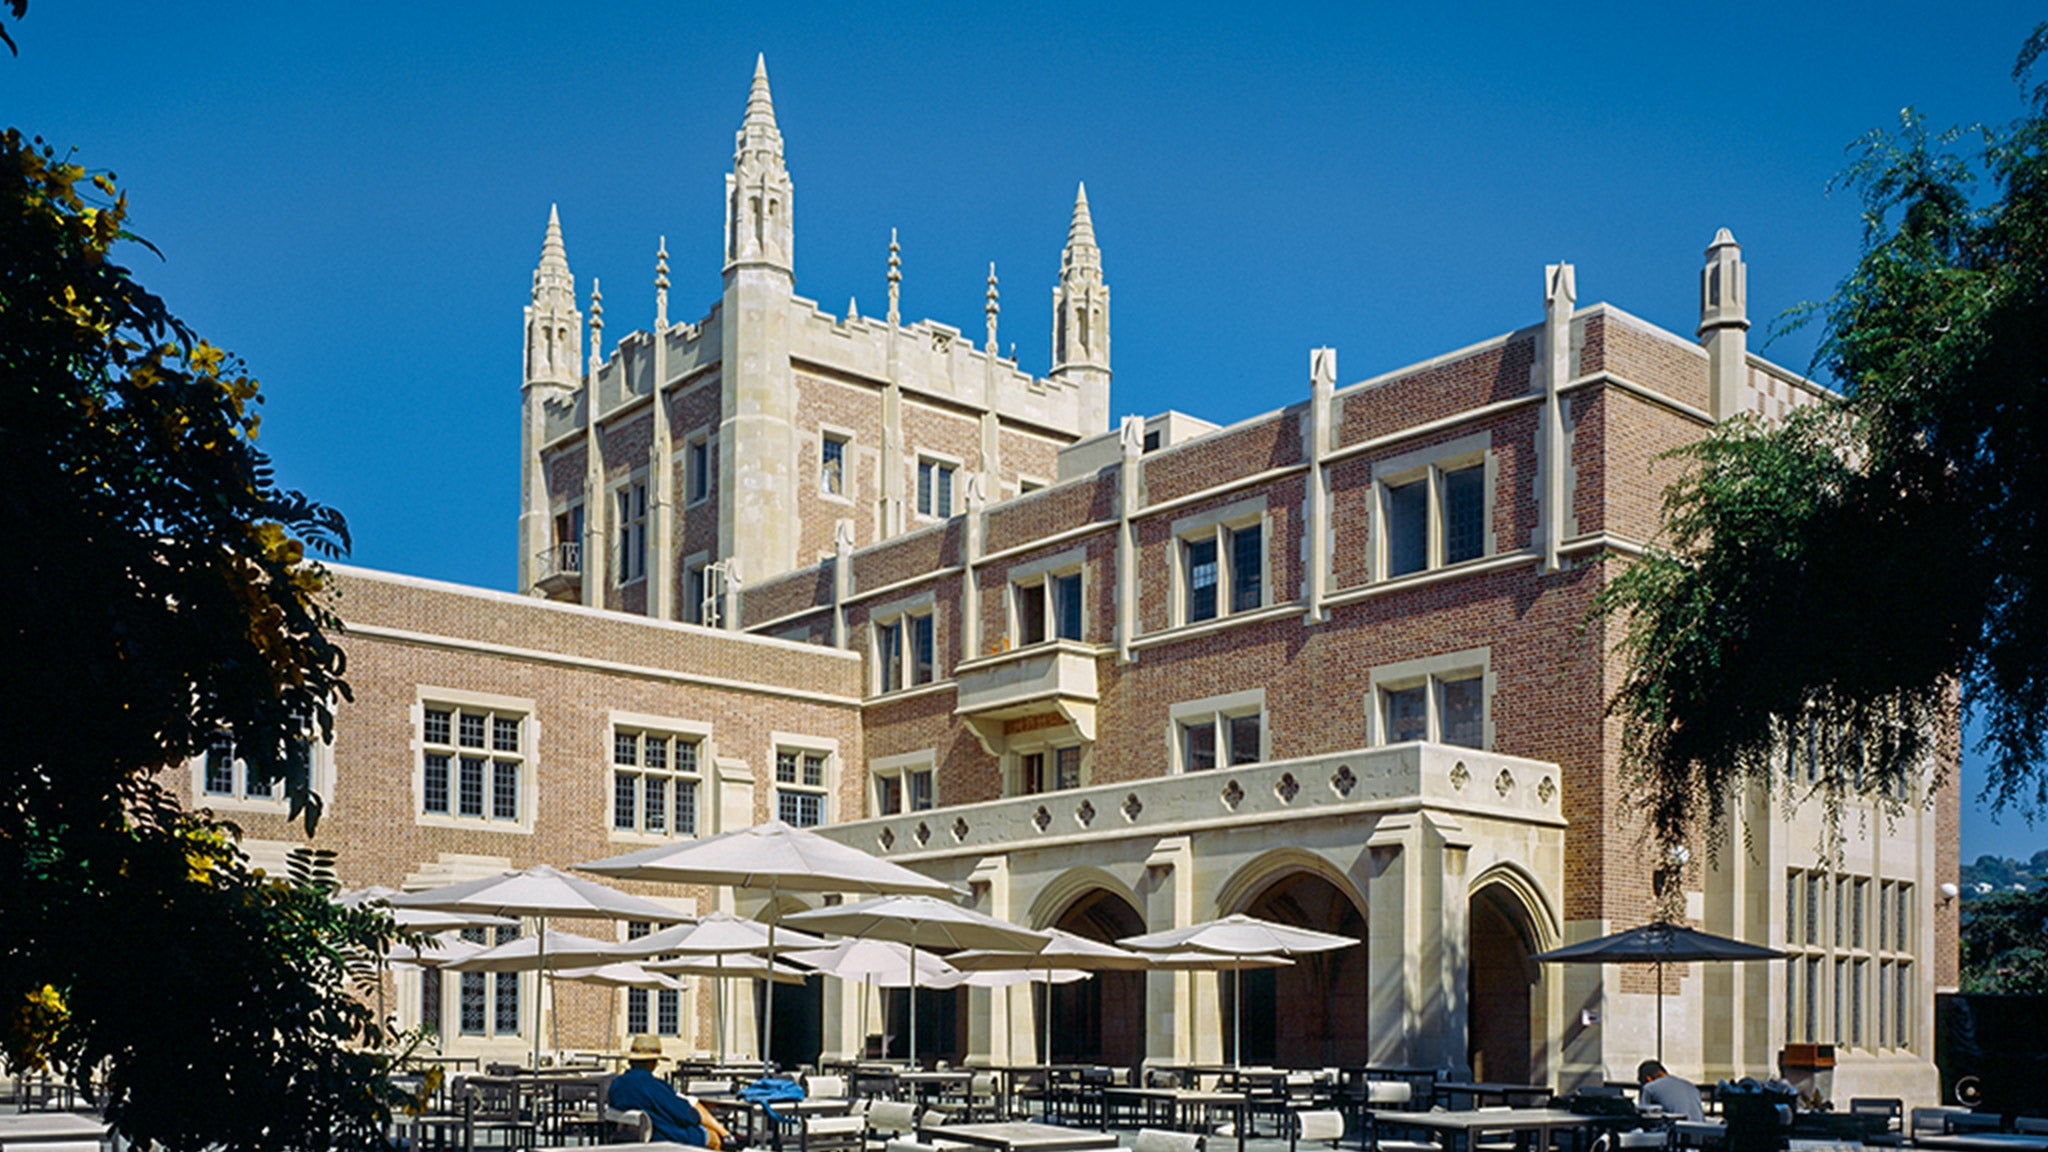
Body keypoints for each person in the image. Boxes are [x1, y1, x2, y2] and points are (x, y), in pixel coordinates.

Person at [608, 1034, 713, 1147]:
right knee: (712, 1137)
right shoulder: (652, 1085)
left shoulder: (617, 1084)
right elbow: (684, 1114)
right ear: (651, 1063)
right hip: (661, 1136)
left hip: (632, 1137)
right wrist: (695, 1115)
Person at [1636, 1059, 1706, 1122]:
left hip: (1678, 1132)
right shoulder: (1691, 1087)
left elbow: (1644, 1116)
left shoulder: (1649, 1087)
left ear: (1648, 1079)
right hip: (1701, 1131)